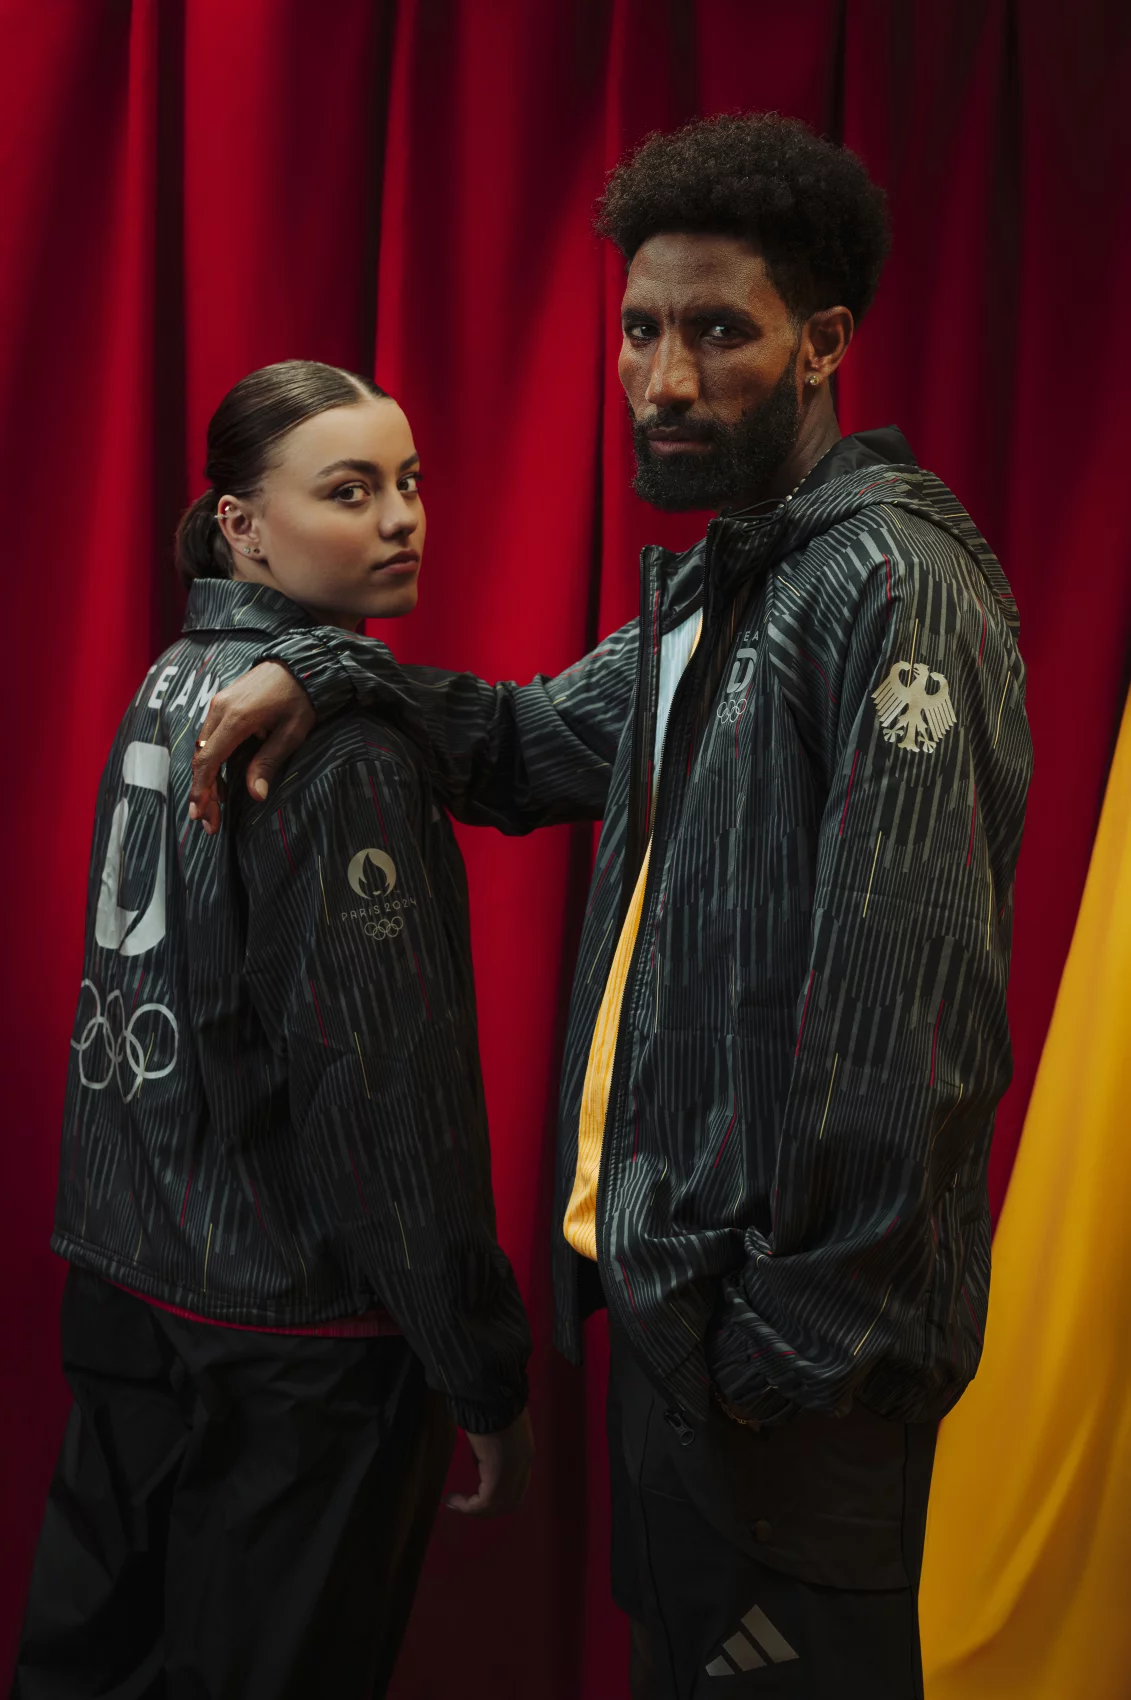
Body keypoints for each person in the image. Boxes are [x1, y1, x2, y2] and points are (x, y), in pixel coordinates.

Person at [189, 116, 1033, 1699]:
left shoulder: (891, 584)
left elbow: (905, 1016)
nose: (660, 379)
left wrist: (786, 1352)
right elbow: (520, 744)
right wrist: (330, 667)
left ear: (820, 344)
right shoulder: (730, 578)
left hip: (784, 1369)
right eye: (641, 329)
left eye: (717, 332)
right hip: (674, 1322)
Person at [13, 361, 536, 1700]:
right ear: (241, 525)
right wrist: (475, 1365)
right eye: (349, 491)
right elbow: (389, 1091)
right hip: (295, 1343)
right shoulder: (336, 747)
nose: (401, 518)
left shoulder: (173, 678)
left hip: (126, 1292)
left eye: (409, 482)